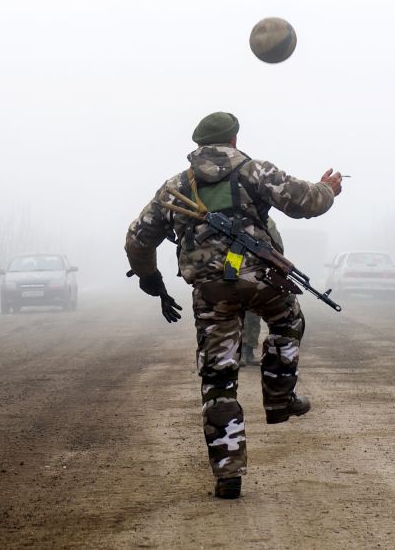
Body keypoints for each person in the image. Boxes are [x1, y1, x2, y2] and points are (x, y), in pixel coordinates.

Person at [125, 111, 342, 499]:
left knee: (218, 380)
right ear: (235, 139)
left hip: (212, 294)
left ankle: (228, 474)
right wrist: (329, 188)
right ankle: (279, 399)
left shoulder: (176, 187)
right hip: (259, 282)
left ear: (198, 146)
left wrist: (150, 279)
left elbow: (138, 239)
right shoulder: (253, 171)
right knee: (288, 319)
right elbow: (305, 201)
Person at [239, 217, 283, 368]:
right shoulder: (262, 219)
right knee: (243, 314)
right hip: (240, 270)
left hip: (251, 272)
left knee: (251, 315)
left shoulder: (264, 219)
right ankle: (241, 352)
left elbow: (276, 245)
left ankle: (247, 352)